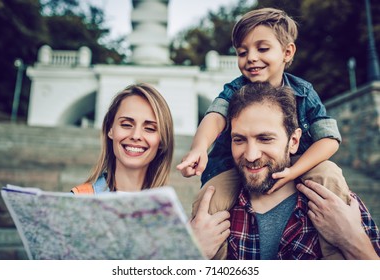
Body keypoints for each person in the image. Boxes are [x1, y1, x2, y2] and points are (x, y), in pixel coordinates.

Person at [177, 8, 350, 210]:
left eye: (262, 49)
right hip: (235, 167)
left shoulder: (303, 91)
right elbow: (215, 116)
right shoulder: (234, 90)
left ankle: (340, 234)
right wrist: (199, 147)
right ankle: (208, 240)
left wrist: (294, 171)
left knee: (329, 174)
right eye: (242, 52)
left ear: (287, 52)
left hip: (293, 163)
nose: (251, 57)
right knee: (210, 198)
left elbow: (329, 139)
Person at [190, 82, 380, 260]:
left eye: (265, 139)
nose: (251, 155)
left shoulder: (338, 204)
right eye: (239, 140)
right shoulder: (211, 216)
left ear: (294, 141)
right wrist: (190, 256)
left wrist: (353, 241)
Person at [71, 83, 174, 193]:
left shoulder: (167, 207)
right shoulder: (80, 199)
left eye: (150, 128)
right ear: (110, 130)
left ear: (163, 140)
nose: (136, 136)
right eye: (126, 125)